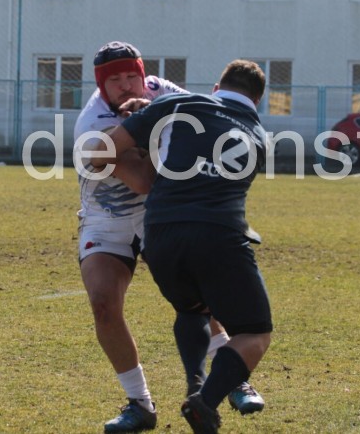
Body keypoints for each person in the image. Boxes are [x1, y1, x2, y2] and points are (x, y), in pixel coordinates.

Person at [75, 43, 265, 432]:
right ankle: (139, 403)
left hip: (161, 213)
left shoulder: (164, 92)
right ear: (101, 85)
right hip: (107, 215)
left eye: (133, 75)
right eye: (116, 80)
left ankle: (233, 378)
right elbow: (143, 180)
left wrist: (147, 116)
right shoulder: (90, 123)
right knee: (103, 305)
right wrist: (145, 128)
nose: (128, 85)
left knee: (201, 295)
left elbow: (211, 117)